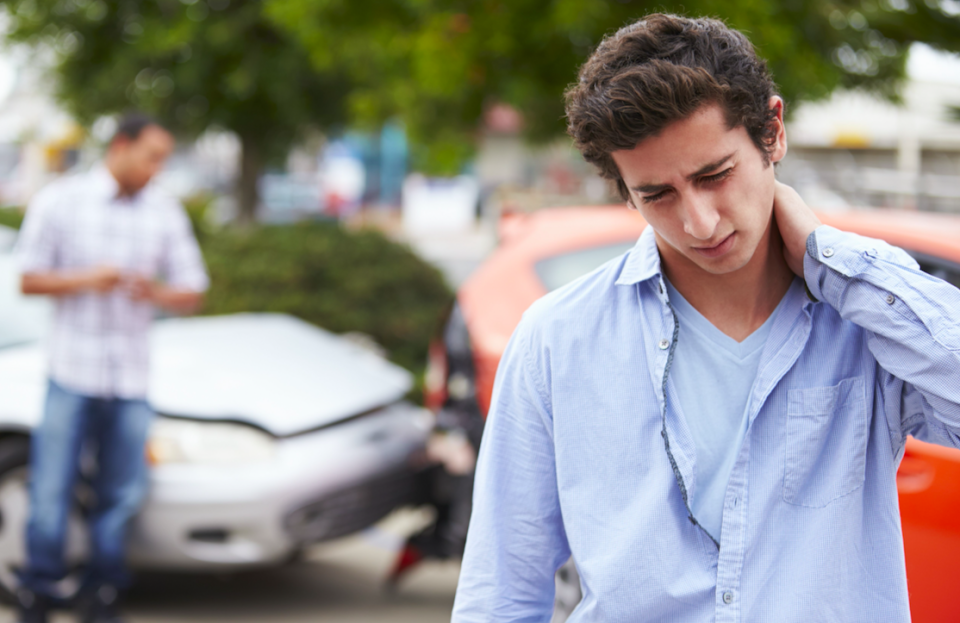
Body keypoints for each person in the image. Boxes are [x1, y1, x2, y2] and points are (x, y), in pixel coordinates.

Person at [452, 14, 960, 622]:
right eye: (656, 195)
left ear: (772, 131)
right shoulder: (557, 339)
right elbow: (501, 590)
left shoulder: (864, 322)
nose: (700, 223)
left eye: (714, 175)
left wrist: (834, 260)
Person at [14, 113, 209, 623]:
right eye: (152, 157)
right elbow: (27, 279)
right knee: (51, 488)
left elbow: (193, 289)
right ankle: (39, 589)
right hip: (71, 371)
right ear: (121, 147)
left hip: (131, 377)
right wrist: (88, 279)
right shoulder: (62, 200)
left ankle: (102, 595)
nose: (157, 169)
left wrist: (156, 292)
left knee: (120, 494)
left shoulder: (163, 210)